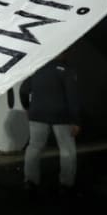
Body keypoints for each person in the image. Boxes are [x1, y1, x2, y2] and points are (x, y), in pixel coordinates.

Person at [22, 54, 80, 196]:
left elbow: (23, 90)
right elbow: (72, 97)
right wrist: (76, 120)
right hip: (60, 116)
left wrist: (27, 107)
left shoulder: (37, 68)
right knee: (67, 151)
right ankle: (66, 185)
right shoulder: (67, 70)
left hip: (38, 114)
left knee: (34, 148)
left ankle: (30, 181)